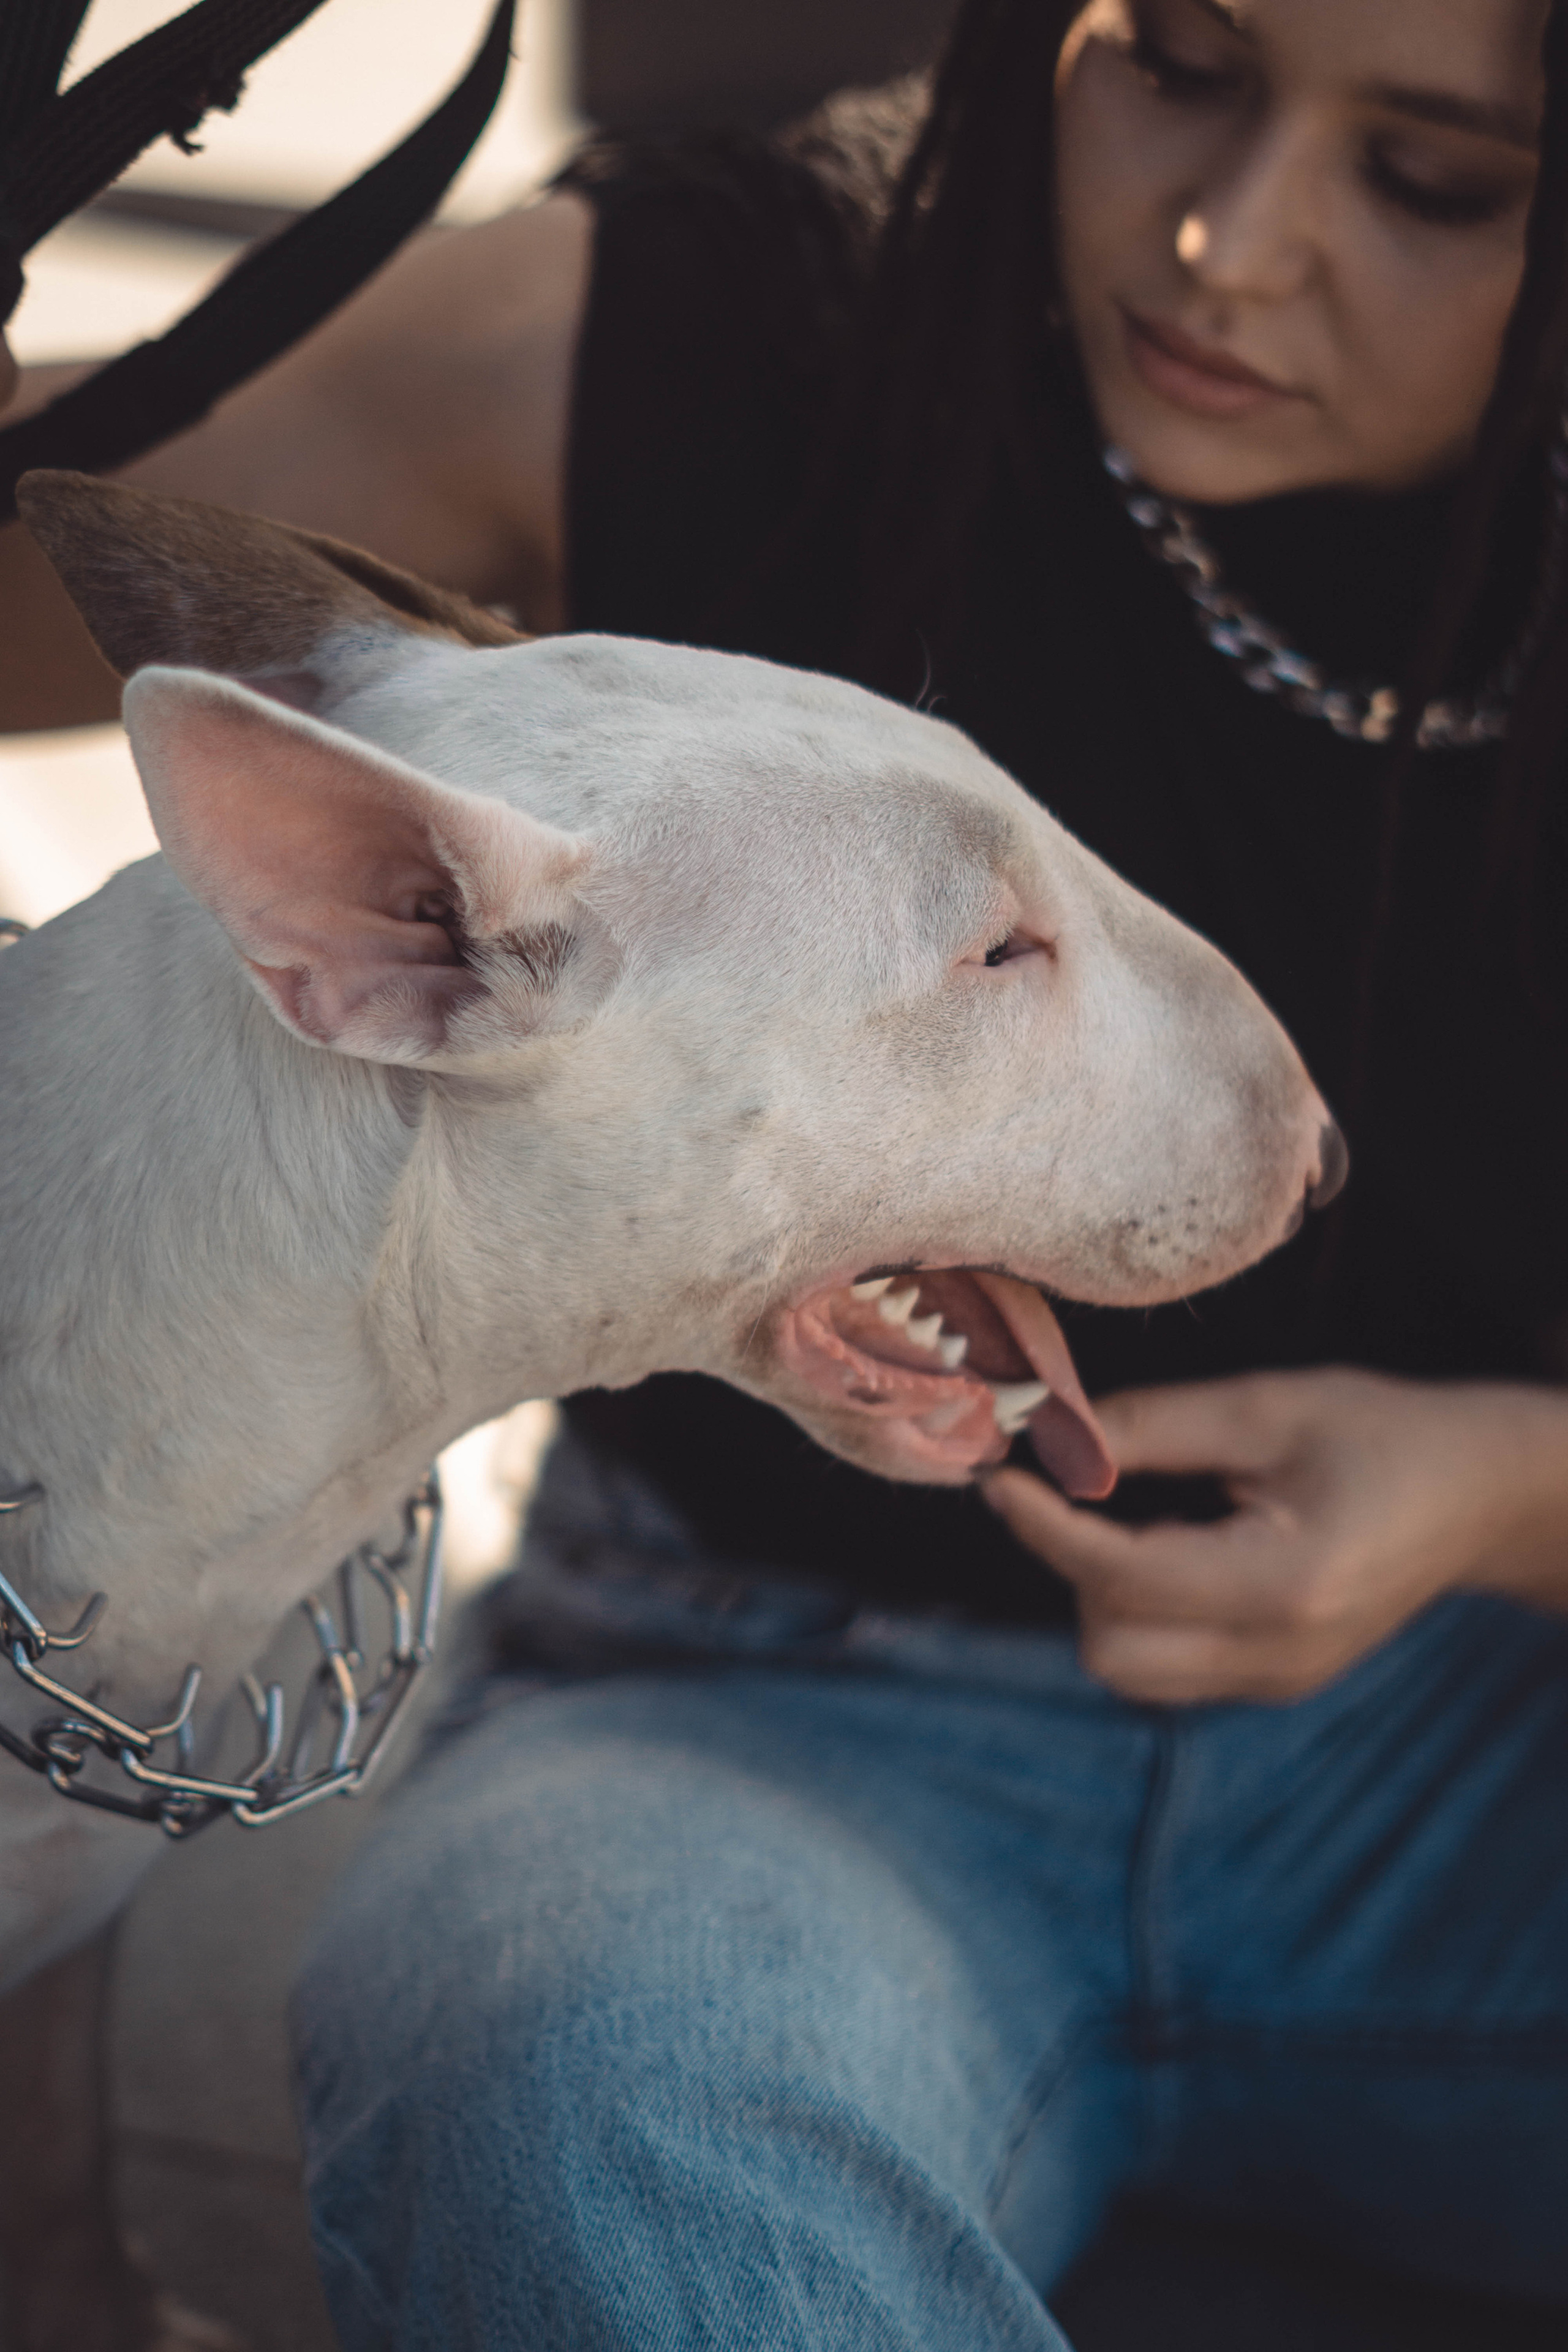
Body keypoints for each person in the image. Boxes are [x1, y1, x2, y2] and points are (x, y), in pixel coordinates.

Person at [5, 2, 1567, 2345]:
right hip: (752, 1720)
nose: (1225, 244)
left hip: (1480, 1749)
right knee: (572, 2104)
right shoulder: (695, 318)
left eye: (1433, 176)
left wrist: (1516, 1495)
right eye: (1176, 62)